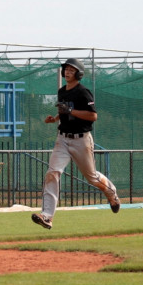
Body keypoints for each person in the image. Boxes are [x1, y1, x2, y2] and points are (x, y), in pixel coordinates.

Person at [32, 58, 121, 230]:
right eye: (66, 69)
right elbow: (63, 110)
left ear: (78, 74)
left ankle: (112, 193)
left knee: (92, 177)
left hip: (81, 140)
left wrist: (71, 111)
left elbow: (93, 116)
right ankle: (47, 216)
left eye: (71, 70)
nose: (67, 72)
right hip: (63, 138)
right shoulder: (62, 91)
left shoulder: (83, 92)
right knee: (53, 173)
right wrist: (55, 118)